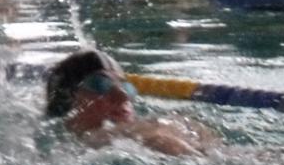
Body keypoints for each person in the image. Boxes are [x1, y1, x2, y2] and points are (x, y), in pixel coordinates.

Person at [45, 50, 220, 156]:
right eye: (100, 85)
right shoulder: (100, 139)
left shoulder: (139, 131)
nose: (122, 96)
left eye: (126, 87)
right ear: (68, 98)